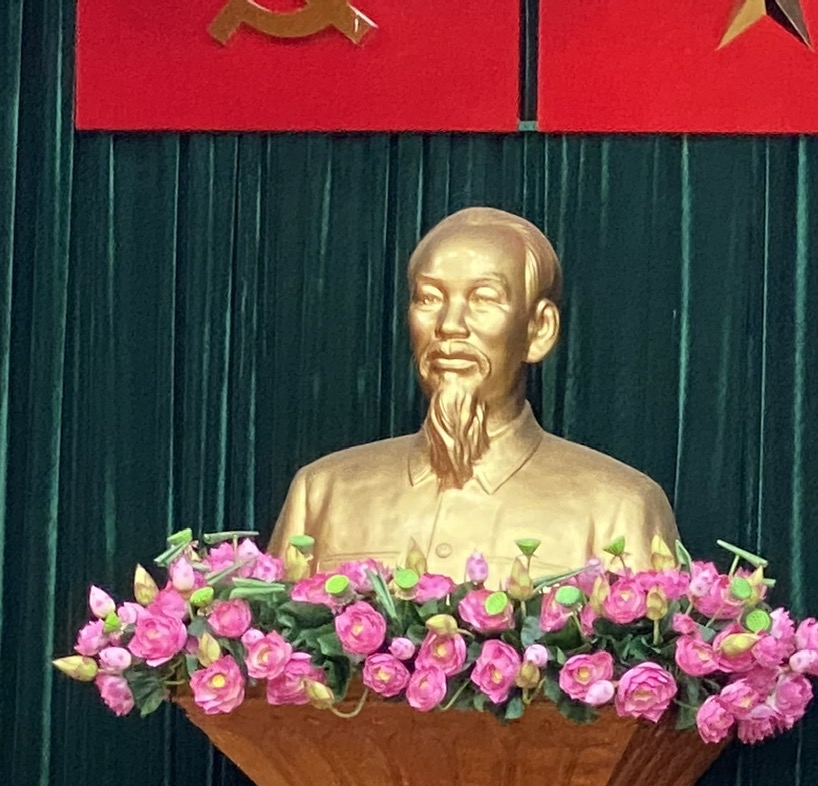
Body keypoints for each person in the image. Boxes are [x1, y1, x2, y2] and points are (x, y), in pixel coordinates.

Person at [269, 206, 681, 578]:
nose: (450, 325)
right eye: (429, 298)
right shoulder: (322, 493)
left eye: (483, 299)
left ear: (539, 329)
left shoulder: (620, 508)